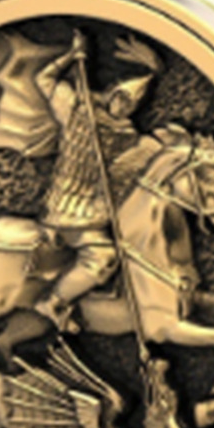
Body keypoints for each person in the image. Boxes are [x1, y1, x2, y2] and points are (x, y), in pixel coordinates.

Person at [32, 30, 151, 331]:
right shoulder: (76, 109)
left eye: (131, 105)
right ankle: (53, 302)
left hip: (96, 208)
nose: (124, 107)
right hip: (66, 204)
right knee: (103, 258)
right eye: (121, 99)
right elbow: (44, 79)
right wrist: (70, 57)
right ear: (112, 94)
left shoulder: (127, 135)